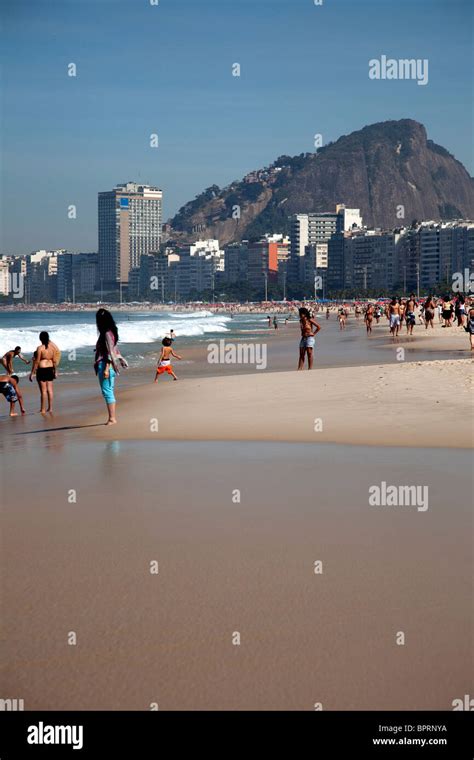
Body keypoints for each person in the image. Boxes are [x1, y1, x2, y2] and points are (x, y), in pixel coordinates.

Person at [94, 308, 128, 425]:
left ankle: (112, 418)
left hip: (106, 365)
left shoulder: (107, 333)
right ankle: (111, 418)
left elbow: (110, 352)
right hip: (109, 364)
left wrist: (106, 369)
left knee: (107, 392)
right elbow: (113, 349)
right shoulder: (111, 332)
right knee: (109, 391)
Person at [29, 331, 59, 414]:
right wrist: (55, 371)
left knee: (43, 391)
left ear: (40, 338)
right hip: (50, 369)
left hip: (42, 370)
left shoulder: (40, 348)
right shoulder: (52, 348)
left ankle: (42, 409)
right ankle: (50, 408)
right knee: (50, 390)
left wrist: (32, 373)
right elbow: (54, 361)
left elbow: (37, 361)